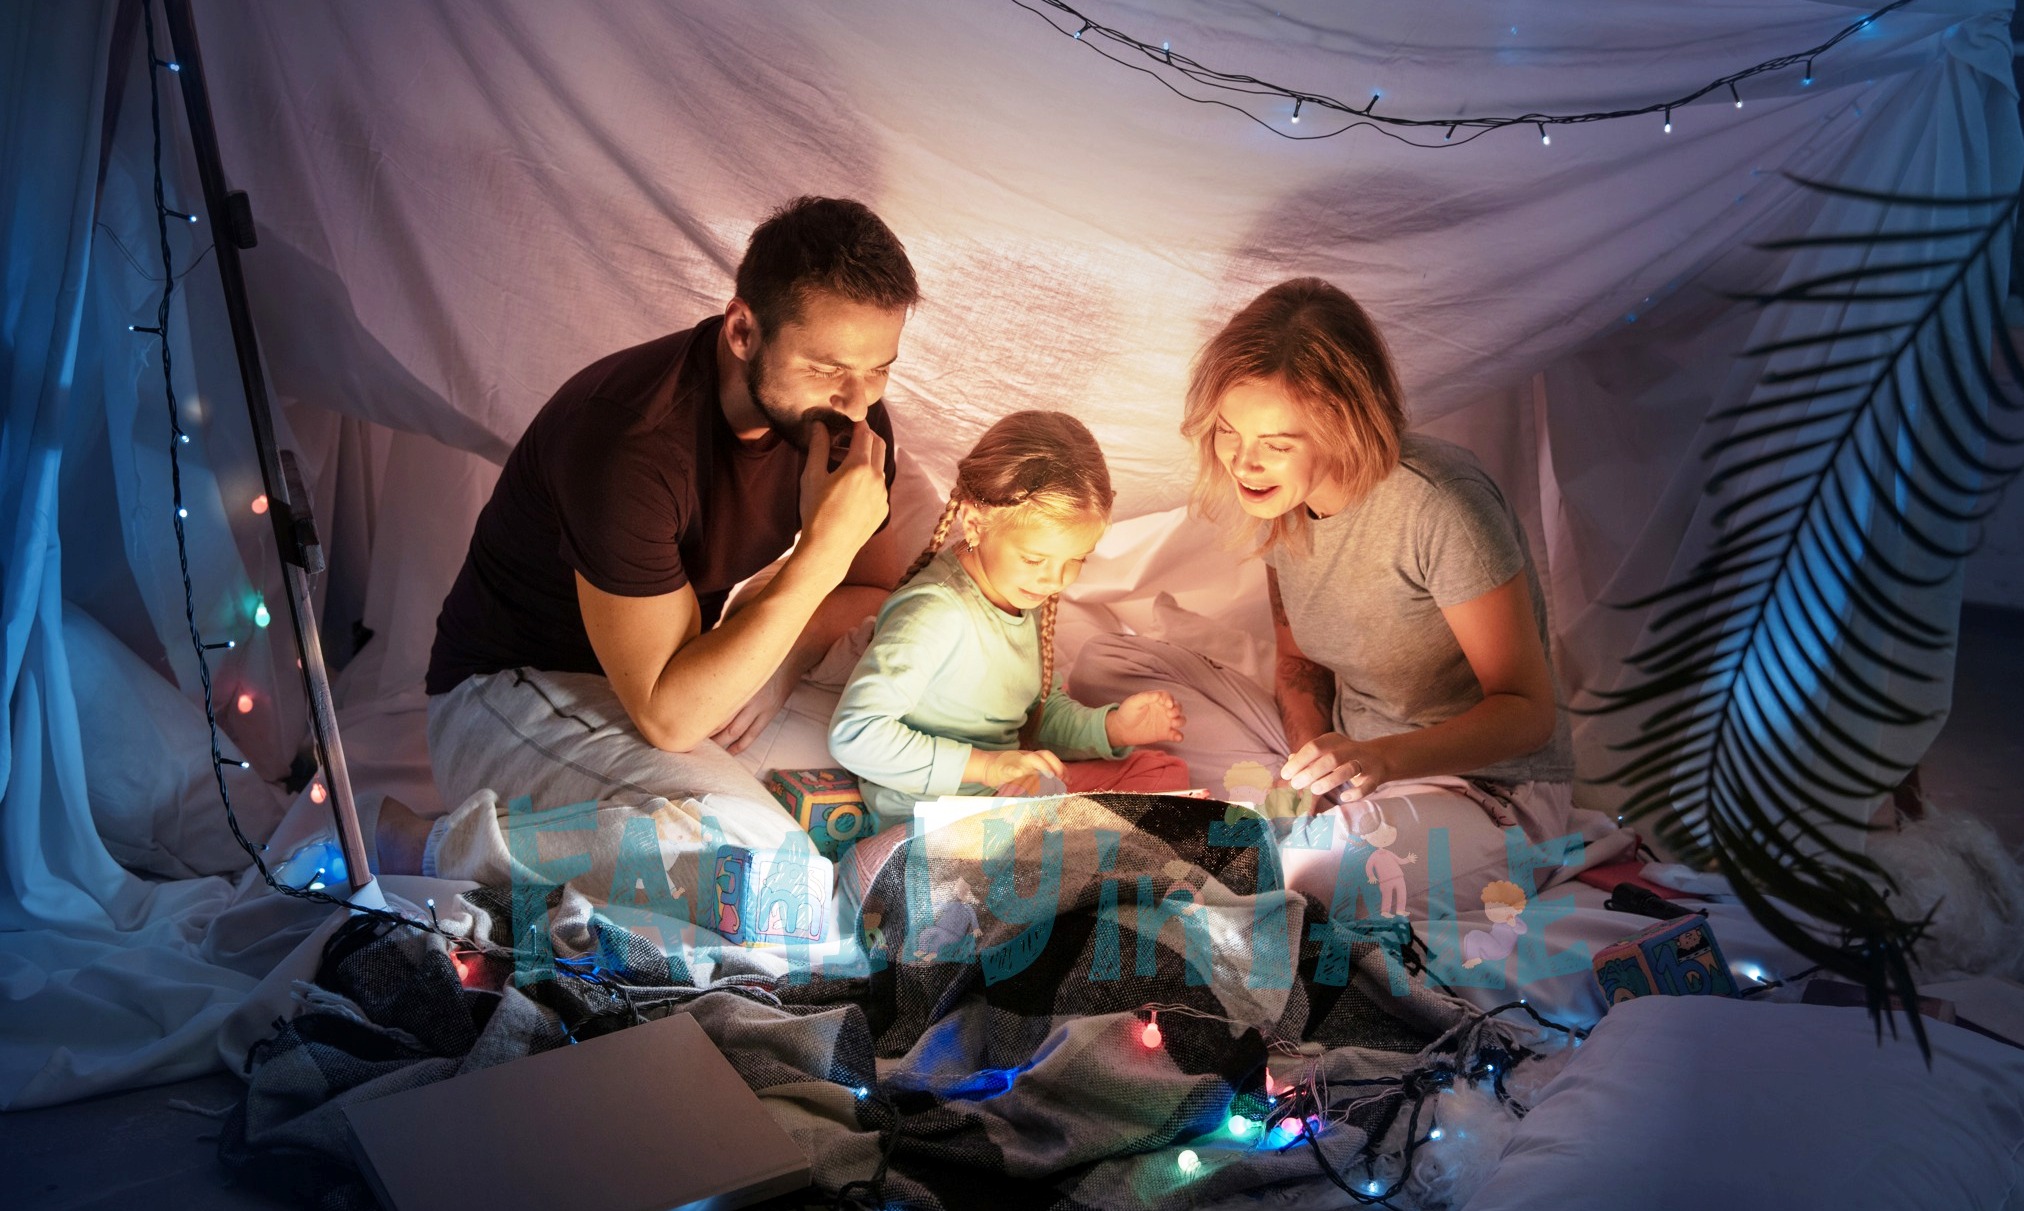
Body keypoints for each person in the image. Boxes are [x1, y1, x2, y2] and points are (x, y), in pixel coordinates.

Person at [377, 198, 918, 935]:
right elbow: (666, 714)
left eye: (879, 369)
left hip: (670, 674)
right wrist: (822, 550)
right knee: (776, 885)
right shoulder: (629, 440)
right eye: (826, 367)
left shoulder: (846, 418)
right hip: (510, 691)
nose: (857, 402)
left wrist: (781, 662)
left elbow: (870, 588)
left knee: (874, 791)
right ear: (742, 329)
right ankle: (436, 842)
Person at [1069, 278, 1626, 925]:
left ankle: (1309, 844)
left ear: (1341, 424)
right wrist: (1316, 774)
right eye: (1229, 431)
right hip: (1350, 761)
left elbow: (1527, 711)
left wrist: (1385, 758)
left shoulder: (1441, 504)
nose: (1244, 463)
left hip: (1484, 788)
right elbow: (1299, 665)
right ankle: (1308, 824)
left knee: (1302, 875)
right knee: (1105, 668)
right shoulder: (1285, 505)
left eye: (1276, 443)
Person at [829, 411, 1190, 828]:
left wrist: (1112, 728)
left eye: (1076, 559)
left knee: (1163, 774)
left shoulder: (1022, 594)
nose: (1056, 579)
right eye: (1035, 559)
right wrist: (988, 766)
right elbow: (854, 735)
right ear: (975, 523)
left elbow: (1037, 719)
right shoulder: (936, 612)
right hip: (939, 817)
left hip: (1012, 796)